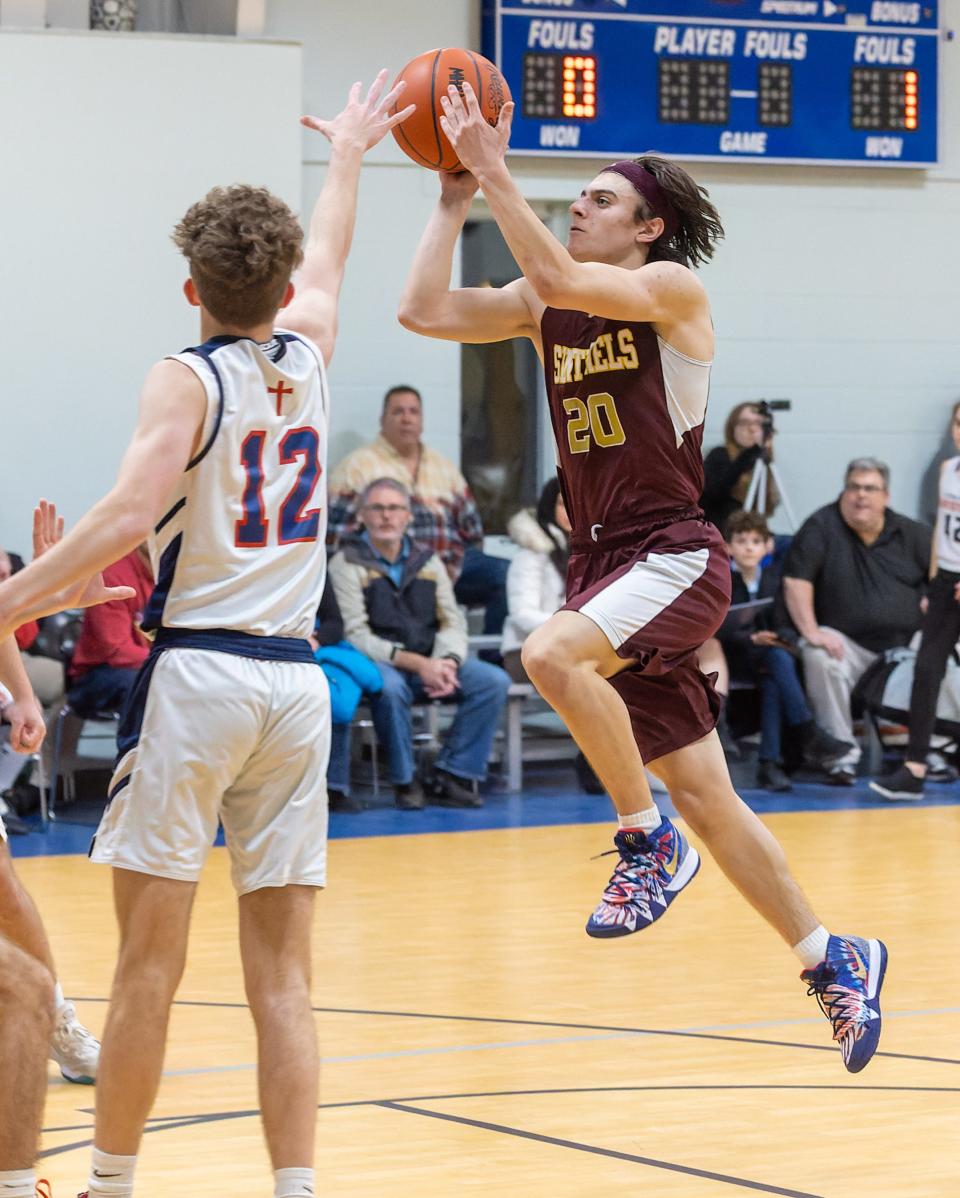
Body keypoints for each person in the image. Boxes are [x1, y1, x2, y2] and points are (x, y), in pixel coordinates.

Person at [398, 84, 887, 1072]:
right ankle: (830, 955)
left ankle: (641, 839)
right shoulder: (548, 299)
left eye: (601, 199)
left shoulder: (673, 295)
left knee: (547, 652)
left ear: (649, 227)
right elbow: (421, 309)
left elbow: (555, 271)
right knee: (710, 795)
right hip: (605, 561)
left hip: (673, 550)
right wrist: (454, 200)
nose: (580, 206)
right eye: (574, 195)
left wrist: (497, 172)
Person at [0, 71, 413, 1198]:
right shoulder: (315, 353)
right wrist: (348, 156)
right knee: (284, 975)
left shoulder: (185, 378)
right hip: (295, 687)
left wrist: (11, 600)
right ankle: (295, 1187)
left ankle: (112, 1185)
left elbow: (127, 519)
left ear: (190, 285)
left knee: (150, 966)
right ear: (280, 288)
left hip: (201, 677)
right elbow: (329, 259)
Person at [329, 477, 510, 810]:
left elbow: (452, 620)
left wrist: (447, 662)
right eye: (378, 508)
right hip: (378, 663)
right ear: (363, 517)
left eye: (395, 508)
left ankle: (452, 773)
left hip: (431, 658)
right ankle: (405, 780)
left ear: (409, 516)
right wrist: (418, 664)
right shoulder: (346, 563)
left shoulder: (428, 561)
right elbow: (356, 634)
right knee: (392, 688)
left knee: (491, 681)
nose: (387, 516)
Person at [783, 457, 929, 785]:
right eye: (853, 487)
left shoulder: (912, 533)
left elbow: (941, 576)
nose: (860, 495)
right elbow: (795, 582)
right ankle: (841, 754)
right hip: (846, 647)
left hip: (904, 651)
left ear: (886, 496)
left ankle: (932, 749)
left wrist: (933, 597)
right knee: (817, 653)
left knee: (943, 646)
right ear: (844, 491)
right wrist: (811, 631)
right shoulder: (820, 527)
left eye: (870, 488)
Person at [327, 383, 510, 636]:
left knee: (506, 574)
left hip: (450, 568)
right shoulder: (356, 466)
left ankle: (494, 658)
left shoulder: (443, 466)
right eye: (398, 412)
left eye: (413, 412)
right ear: (383, 419)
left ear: (422, 420)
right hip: (388, 574)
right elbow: (336, 539)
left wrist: (449, 569)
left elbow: (473, 531)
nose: (406, 418)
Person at [718, 511, 851, 791]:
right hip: (734, 658)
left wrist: (776, 638)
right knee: (776, 665)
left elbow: (786, 624)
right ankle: (803, 734)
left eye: (756, 541)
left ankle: (771, 764)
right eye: (741, 541)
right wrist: (752, 638)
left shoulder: (773, 580)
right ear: (728, 547)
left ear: (768, 546)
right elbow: (719, 630)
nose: (749, 547)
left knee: (774, 672)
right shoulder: (722, 581)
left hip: (769, 656)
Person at [871, 402, 960, 798]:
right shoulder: (947, 471)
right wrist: (934, 582)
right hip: (946, 582)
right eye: (958, 423)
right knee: (926, 670)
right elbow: (943, 530)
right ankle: (915, 768)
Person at [66, 545, 153, 717]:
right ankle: (140, 744)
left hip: (151, 665)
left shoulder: (178, 571)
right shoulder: (113, 572)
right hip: (97, 674)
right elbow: (118, 652)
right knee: (146, 684)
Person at [701, 402, 779, 531]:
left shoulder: (763, 464)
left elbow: (767, 507)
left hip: (747, 538)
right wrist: (753, 451)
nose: (752, 429)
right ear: (733, 428)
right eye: (745, 423)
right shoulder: (719, 455)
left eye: (758, 423)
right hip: (720, 534)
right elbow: (715, 491)